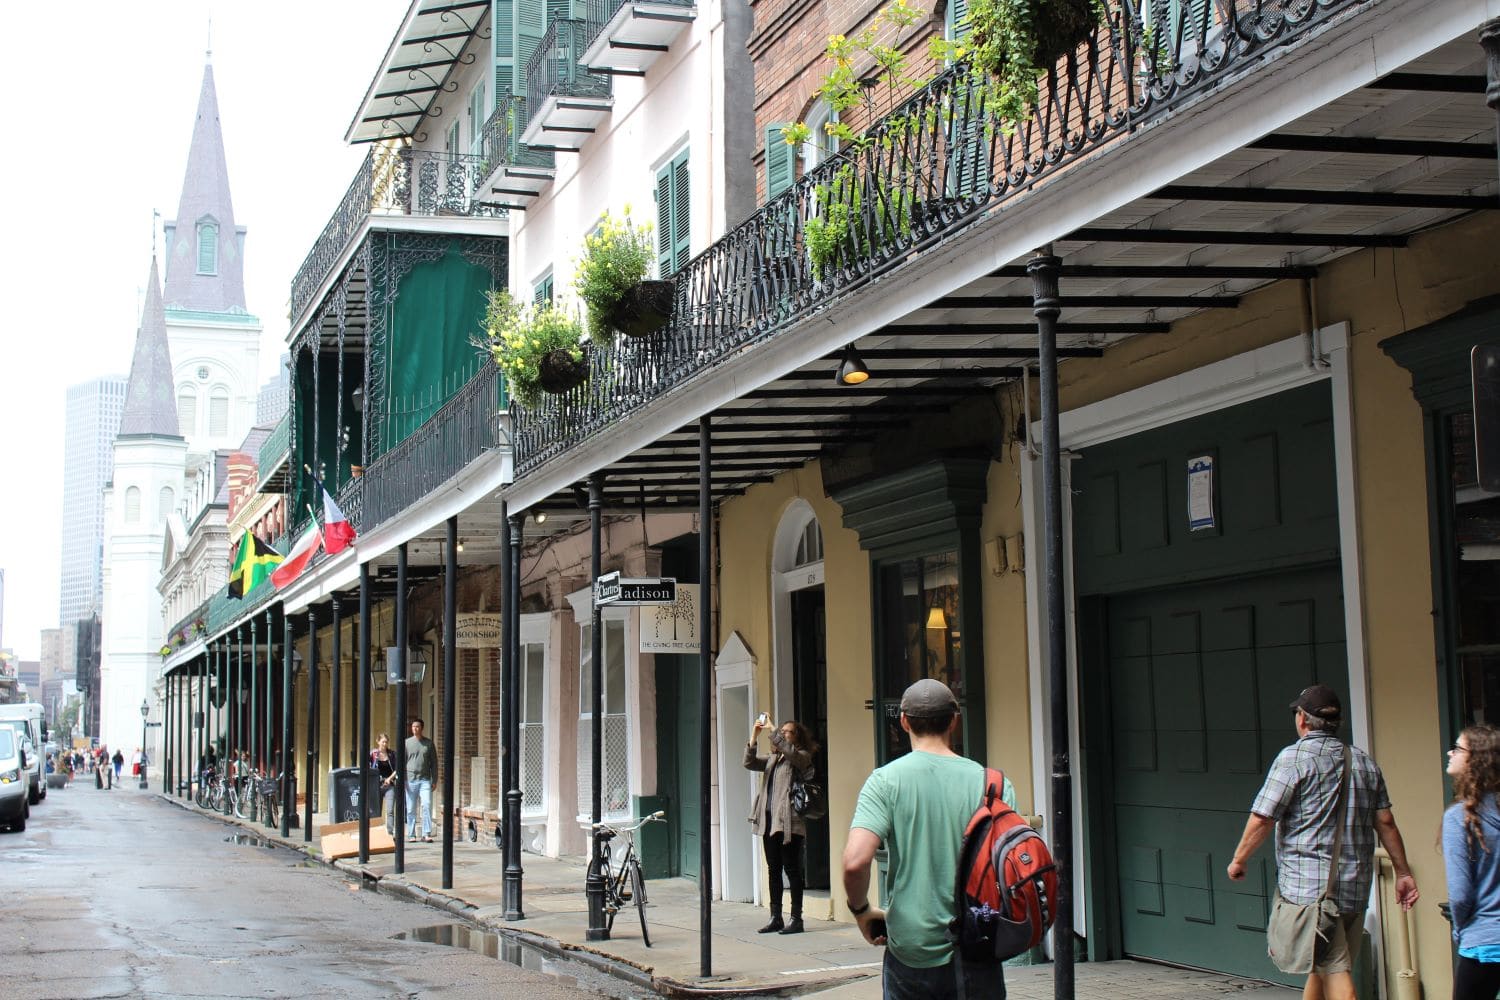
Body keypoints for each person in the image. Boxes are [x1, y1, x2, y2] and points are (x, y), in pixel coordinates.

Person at [1228, 684, 1418, 999]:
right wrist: (1403, 872)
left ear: (1303, 719)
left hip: (1311, 894)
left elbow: (1263, 817)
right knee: (1324, 964)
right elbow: (1385, 821)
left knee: (1336, 974)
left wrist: (1239, 859)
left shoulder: (1293, 757)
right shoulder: (1363, 761)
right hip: (1354, 888)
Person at [844, 678, 1007, 999]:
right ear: (954, 721)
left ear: (904, 721)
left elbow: (855, 862)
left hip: (912, 945)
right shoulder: (993, 785)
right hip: (979, 940)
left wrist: (861, 910)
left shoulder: (884, 782)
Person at [744, 717, 817, 935]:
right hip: (769, 822)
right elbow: (748, 762)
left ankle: (796, 918)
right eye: (782, 731)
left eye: (788, 732)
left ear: (797, 737)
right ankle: (776, 917)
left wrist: (773, 728)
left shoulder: (801, 757)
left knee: (792, 870)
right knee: (773, 870)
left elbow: (792, 753)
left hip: (789, 823)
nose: (783, 734)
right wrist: (755, 735)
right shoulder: (773, 759)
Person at [1444, 724, 1500, 999]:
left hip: (1484, 942)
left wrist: (1460, 929)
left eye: (1457, 748)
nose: (1449, 753)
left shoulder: (1459, 818)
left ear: (1476, 759)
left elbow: (1460, 895)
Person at [404, 718, 436, 843]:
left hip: (425, 780)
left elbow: (433, 762)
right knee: (411, 808)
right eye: (413, 727)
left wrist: (435, 779)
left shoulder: (428, 743)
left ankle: (426, 833)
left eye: (417, 726)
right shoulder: (406, 743)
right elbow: (402, 762)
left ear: (422, 728)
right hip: (410, 780)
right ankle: (411, 834)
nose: (415, 728)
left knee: (426, 805)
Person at [371, 733, 398, 835]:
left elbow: (397, 769)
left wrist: (390, 778)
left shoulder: (392, 754)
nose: (385, 744)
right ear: (378, 742)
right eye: (383, 742)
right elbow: (368, 769)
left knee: (390, 810)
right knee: (376, 811)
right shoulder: (373, 754)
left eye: (386, 742)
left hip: (389, 785)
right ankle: (376, 832)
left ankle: (390, 832)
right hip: (377, 785)